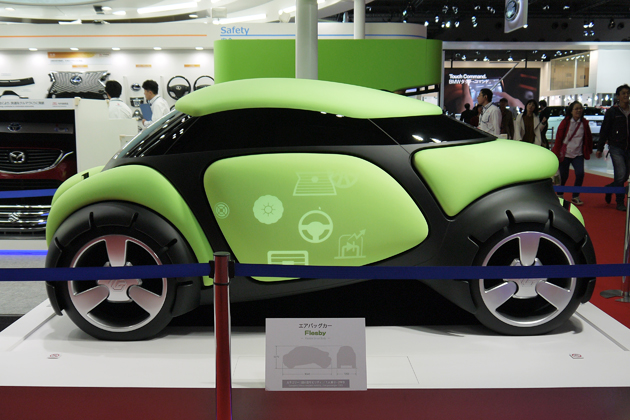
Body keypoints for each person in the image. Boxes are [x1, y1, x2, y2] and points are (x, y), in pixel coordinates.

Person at [551, 101, 593, 206]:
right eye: (576, 108)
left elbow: (588, 138)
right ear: (571, 111)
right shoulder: (565, 123)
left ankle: (575, 196)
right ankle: (559, 195)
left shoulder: (584, 123)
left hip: (578, 154)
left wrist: (589, 150)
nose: (579, 110)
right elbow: (559, 138)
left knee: (580, 174)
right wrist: (556, 153)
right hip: (565, 154)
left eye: (580, 108)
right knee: (563, 176)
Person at [596, 84, 630, 211]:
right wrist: (600, 148)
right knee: (620, 174)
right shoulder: (612, 112)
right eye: (623, 93)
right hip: (616, 147)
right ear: (618, 96)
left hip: (629, 148)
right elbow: (604, 130)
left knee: (625, 176)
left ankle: (610, 188)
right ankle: (620, 202)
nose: (626, 95)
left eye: (627, 93)